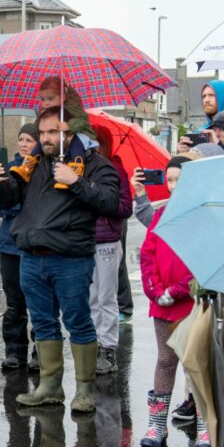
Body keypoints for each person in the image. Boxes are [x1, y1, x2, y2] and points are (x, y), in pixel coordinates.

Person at [0, 106, 120, 413]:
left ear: (70, 133)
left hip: (71, 258)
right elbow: (10, 201)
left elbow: (111, 202)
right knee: (43, 323)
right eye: (43, 132)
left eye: (53, 132)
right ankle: (50, 387)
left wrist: (76, 181)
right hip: (31, 258)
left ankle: (85, 390)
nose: (46, 139)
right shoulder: (30, 165)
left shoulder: (95, 165)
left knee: (78, 322)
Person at [138, 154, 200, 447]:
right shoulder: (162, 215)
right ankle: (157, 425)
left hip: (190, 302)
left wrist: (176, 290)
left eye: (179, 179)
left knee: (196, 363)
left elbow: (198, 261)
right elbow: (148, 253)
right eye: (170, 180)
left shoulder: (200, 216)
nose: (173, 186)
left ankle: (205, 425)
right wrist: (154, 288)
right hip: (161, 304)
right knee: (165, 360)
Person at [0, 123, 39, 370]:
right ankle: (14, 351)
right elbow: (3, 199)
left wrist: (7, 208)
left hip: (34, 244)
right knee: (14, 302)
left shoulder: (42, 170)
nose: (23, 144)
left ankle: (40, 351)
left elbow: (32, 204)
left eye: (29, 140)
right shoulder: (9, 168)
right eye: (21, 139)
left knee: (39, 301)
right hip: (9, 244)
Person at [88, 125, 133, 375]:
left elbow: (126, 207)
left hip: (106, 242)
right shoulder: (80, 168)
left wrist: (97, 199)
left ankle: (108, 349)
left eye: (95, 142)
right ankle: (94, 346)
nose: (90, 146)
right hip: (84, 241)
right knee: (91, 299)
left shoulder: (115, 169)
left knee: (106, 297)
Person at [10, 76, 96, 184]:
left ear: (63, 97)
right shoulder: (46, 110)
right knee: (41, 143)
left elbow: (83, 120)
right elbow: (38, 126)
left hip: (78, 133)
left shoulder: (72, 105)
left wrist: (70, 125)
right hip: (58, 140)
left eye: (51, 98)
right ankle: (27, 168)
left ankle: (75, 172)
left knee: (76, 143)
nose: (46, 103)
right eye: (42, 99)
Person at [176, 79, 224, 153]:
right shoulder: (200, 133)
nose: (206, 100)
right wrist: (185, 153)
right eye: (204, 96)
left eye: (211, 95)